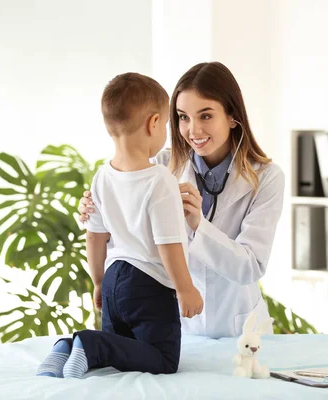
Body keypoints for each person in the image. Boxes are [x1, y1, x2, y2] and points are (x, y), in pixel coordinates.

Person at [79, 62, 285, 339]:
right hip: (177, 325)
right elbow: (130, 242)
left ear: (233, 116)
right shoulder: (159, 167)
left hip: (239, 331)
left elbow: (250, 267)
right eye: (183, 117)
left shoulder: (267, 178)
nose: (193, 130)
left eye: (206, 116)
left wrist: (198, 226)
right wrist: (94, 210)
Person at [36, 72, 203, 379]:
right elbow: (167, 243)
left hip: (114, 281)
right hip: (149, 286)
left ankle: (66, 346)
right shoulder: (160, 180)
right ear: (153, 124)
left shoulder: (102, 176)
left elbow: (95, 236)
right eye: (166, 124)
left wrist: (98, 282)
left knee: (122, 350)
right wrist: (185, 288)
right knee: (164, 360)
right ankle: (88, 344)